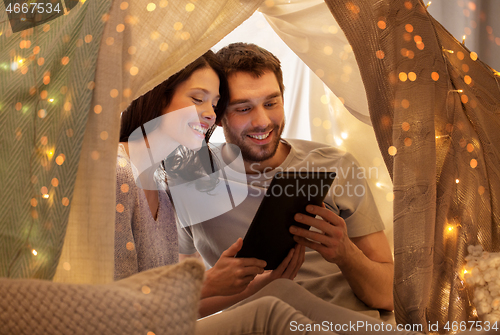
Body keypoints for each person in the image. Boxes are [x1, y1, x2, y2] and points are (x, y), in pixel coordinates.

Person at [177, 43, 395, 316]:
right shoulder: (189, 179)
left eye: (271, 103)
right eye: (243, 109)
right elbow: (177, 306)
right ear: (218, 116)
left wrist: (345, 253)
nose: (262, 121)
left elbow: (389, 296)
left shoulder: (336, 164)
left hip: (346, 322)